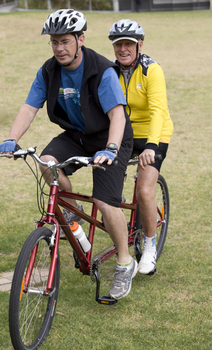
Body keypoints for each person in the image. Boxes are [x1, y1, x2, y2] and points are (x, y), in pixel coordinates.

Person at [0, 9, 137, 300]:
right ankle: (73, 217)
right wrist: (12, 139)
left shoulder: (103, 70)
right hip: (76, 135)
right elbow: (29, 107)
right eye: (54, 42)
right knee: (47, 164)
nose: (59, 48)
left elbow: (118, 116)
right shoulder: (49, 70)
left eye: (65, 41)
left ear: (80, 39)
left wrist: (111, 149)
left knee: (105, 200)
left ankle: (125, 263)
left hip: (110, 136)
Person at [108, 19, 173, 275]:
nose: (123, 49)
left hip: (152, 134)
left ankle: (149, 244)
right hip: (125, 132)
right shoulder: (110, 71)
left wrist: (151, 146)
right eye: (118, 44)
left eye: (129, 44)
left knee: (145, 191)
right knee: (106, 176)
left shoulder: (151, 70)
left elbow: (158, 111)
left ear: (140, 45)